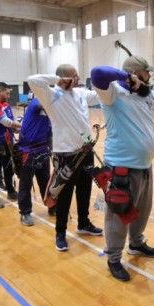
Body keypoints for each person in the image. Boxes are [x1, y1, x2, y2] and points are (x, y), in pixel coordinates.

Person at [91, 56, 154, 281]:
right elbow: (97, 71)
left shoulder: (146, 96)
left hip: (144, 165)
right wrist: (125, 78)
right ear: (137, 73)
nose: (151, 78)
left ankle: (136, 244)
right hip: (121, 166)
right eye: (148, 73)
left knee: (142, 209)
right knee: (118, 214)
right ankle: (113, 258)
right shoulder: (112, 94)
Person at [28, 65, 102, 252]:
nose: (77, 79)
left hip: (85, 152)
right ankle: (60, 233)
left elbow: (101, 94)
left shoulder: (81, 93)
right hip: (66, 155)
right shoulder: (51, 95)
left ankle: (83, 223)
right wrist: (57, 79)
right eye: (72, 77)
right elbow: (32, 80)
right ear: (63, 78)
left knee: (85, 189)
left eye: (77, 76)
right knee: (64, 195)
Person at [17, 97, 52, 226]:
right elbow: (44, 103)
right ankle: (25, 212)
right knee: (26, 183)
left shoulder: (49, 114)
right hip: (29, 151)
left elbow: (50, 133)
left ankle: (52, 206)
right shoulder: (37, 102)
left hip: (43, 149)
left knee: (46, 181)